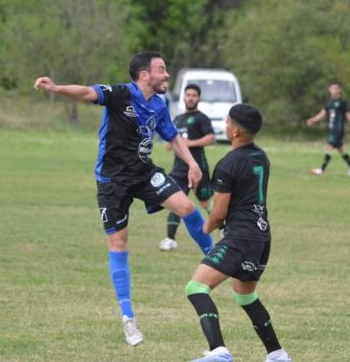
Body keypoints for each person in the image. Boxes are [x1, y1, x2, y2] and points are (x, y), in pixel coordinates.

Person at [33, 51, 214, 347]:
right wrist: (56, 88)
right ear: (145, 75)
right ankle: (128, 318)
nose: (167, 75)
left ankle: (217, 257)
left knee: (187, 206)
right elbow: (87, 92)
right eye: (162, 70)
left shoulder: (158, 104)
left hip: (144, 174)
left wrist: (193, 164)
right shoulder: (120, 94)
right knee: (119, 244)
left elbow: (172, 136)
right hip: (112, 182)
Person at [185, 104, 291, 362]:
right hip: (262, 236)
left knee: (196, 287)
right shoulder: (261, 157)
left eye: (227, 121)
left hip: (240, 237)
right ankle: (278, 355)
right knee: (245, 296)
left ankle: (218, 352)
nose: (225, 124)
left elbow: (219, 213)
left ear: (234, 132)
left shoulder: (228, 163)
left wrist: (205, 227)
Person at [159, 83, 216, 252]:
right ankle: (170, 239)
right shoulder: (178, 119)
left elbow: (211, 138)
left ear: (198, 98)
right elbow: (173, 139)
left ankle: (223, 228)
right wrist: (171, 144)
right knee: (176, 200)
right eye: (188, 95)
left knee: (206, 202)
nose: (190, 98)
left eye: (194, 95)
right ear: (183, 97)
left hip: (198, 168)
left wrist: (191, 143)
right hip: (179, 169)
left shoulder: (201, 118)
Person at [305, 81, 350, 176]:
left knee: (329, 147)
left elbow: (349, 116)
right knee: (341, 149)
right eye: (331, 88)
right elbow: (322, 114)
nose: (333, 90)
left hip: (338, 129)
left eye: (335, 88)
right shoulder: (329, 102)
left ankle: (322, 169)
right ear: (329, 90)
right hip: (332, 129)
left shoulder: (343, 102)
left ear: (339, 90)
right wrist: (313, 120)